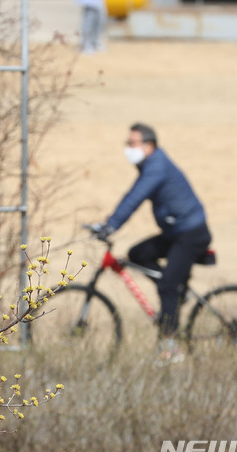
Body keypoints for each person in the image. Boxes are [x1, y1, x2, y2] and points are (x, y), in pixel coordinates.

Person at [95, 123, 212, 362]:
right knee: (138, 254)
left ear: (149, 146)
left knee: (167, 286)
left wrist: (112, 225)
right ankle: (177, 293)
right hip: (176, 232)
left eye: (132, 143)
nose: (127, 148)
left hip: (190, 234)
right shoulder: (151, 164)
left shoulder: (156, 166)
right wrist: (111, 222)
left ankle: (170, 348)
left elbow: (135, 196)